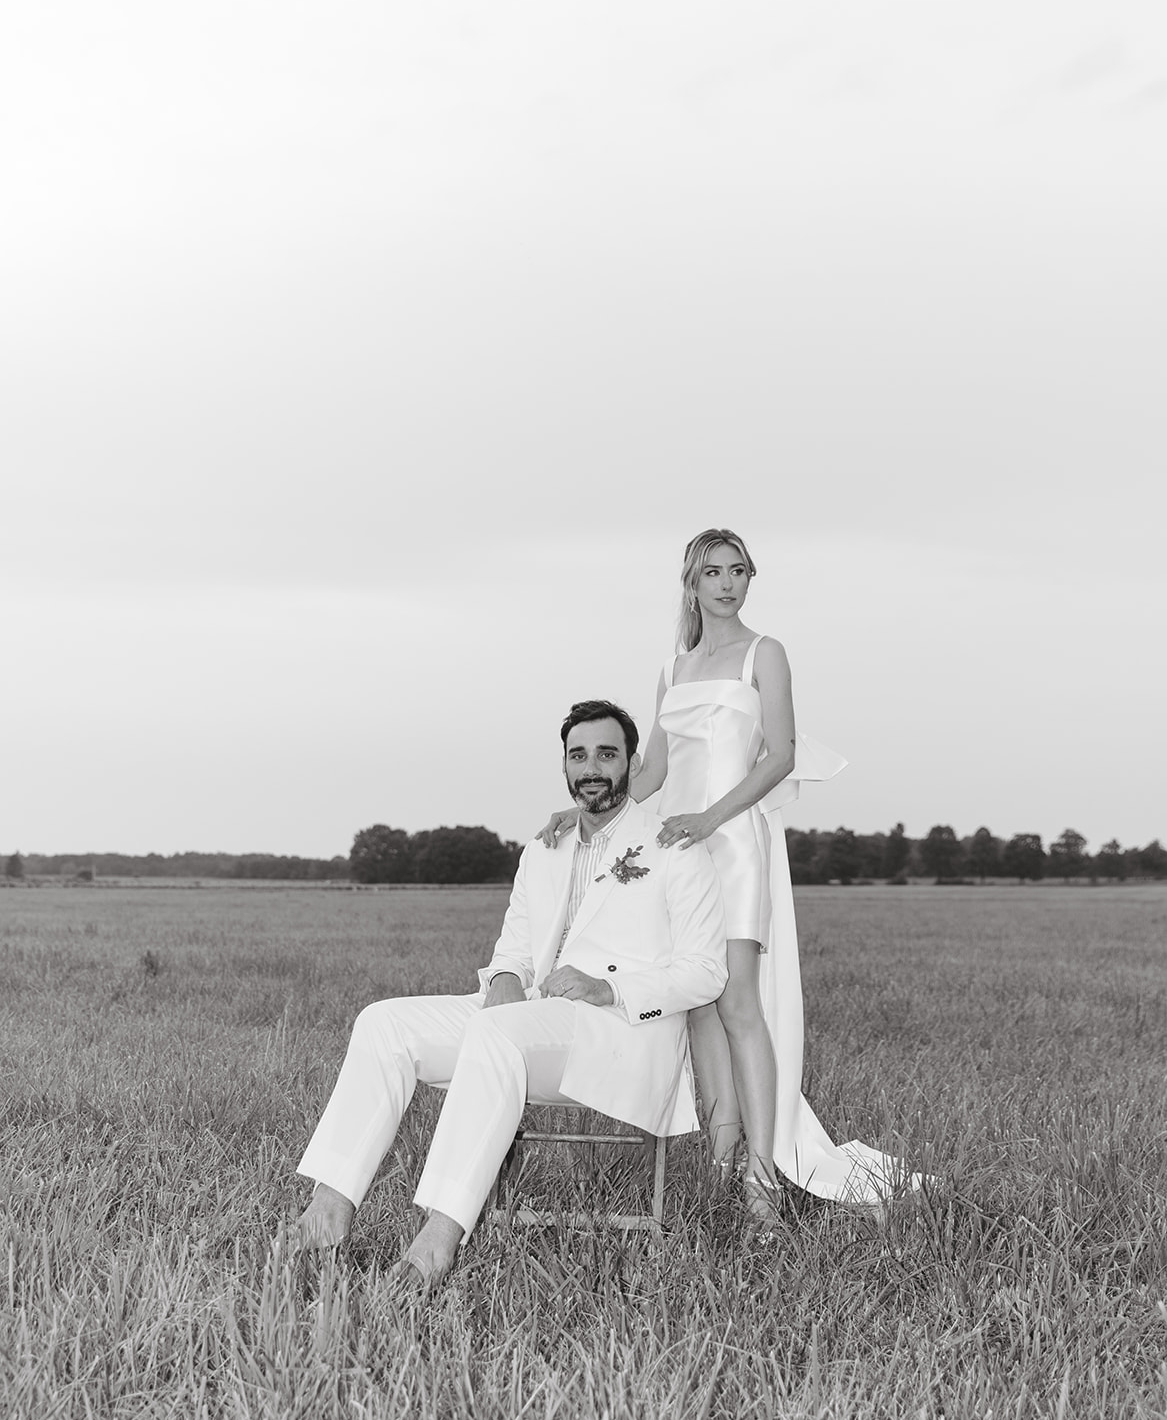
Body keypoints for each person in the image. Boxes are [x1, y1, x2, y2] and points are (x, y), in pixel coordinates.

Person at [542, 529, 909, 1216]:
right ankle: (719, 1165)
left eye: (738, 570)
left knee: (738, 1005)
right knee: (699, 1008)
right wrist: (586, 808)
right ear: (691, 583)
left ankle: (762, 1178)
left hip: (733, 841)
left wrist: (711, 819)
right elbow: (652, 772)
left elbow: (780, 754)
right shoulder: (672, 669)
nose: (727, 583)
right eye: (713, 572)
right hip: (676, 848)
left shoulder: (764, 653)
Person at [296, 699, 727, 1283]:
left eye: (606, 754)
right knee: (383, 1023)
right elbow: (514, 952)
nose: (591, 768)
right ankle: (329, 1211)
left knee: (499, 1034)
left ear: (633, 762)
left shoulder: (674, 846)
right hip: (526, 1021)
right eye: (578, 756)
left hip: (618, 1035)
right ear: (564, 765)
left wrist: (608, 988)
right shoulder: (544, 848)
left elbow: (706, 971)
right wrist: (503, 982)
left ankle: (437, 1243)